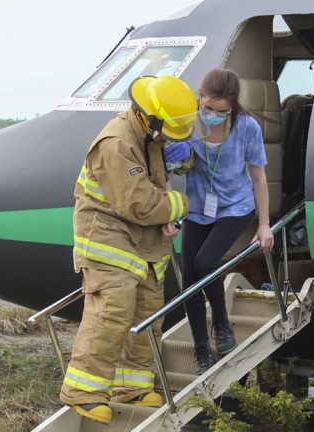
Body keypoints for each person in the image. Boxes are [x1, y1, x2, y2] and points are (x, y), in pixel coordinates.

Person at [60, 75, 195, 425]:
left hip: (144, 239)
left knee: (148, 311)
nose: (168, 141)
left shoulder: (150, 133)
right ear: (149, 118)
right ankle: (84, 391)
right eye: (168, 134)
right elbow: (138, 203)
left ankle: (131, 387)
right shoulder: (117, 143)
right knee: (113, 309)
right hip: (107, 236)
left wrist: (178, 169)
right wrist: (177, 205)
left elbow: (153, 186)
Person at [164, 68, 274, 374]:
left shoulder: (247, 127)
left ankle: (222, 325)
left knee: (206, 262)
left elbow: (258, 176)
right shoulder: (190, 125)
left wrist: (264, 224)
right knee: (189, 276)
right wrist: (170, 213)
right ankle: (202, 348)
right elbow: (168, 172)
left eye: (221, 111)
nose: (212, 115)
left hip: (236, 207)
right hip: (198, 208)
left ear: (233, 106)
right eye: (208, 108)